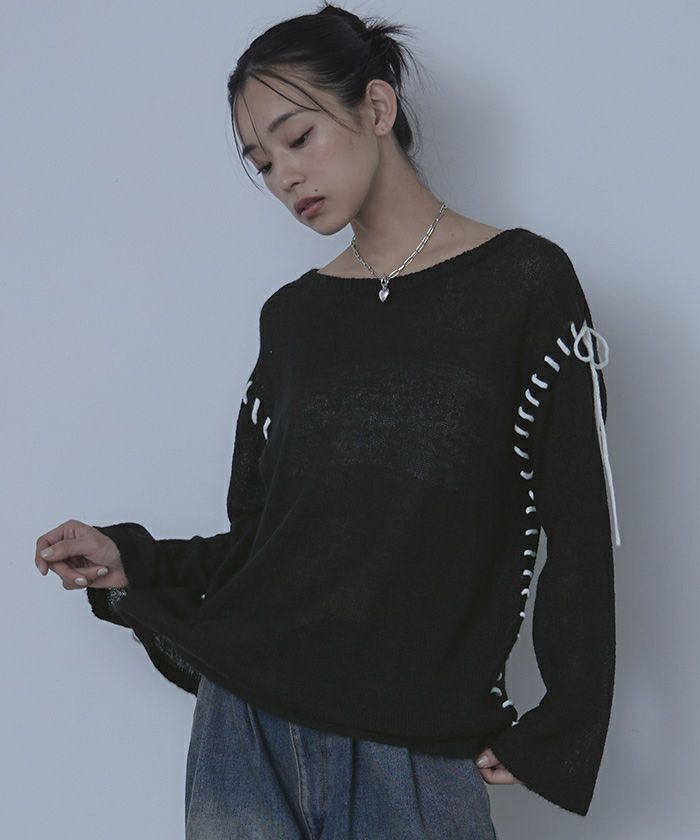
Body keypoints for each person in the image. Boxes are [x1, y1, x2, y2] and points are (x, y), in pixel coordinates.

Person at [34, 3, 621, 837]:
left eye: (298, 137)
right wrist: (132, 557)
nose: (285, 177)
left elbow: (582, 525)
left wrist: (564, 726)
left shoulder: (524, 284)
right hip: (244, 735)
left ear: (376, 107)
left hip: (413, 747)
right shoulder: (294, 319)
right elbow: (265, 543)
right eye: (262, 161)